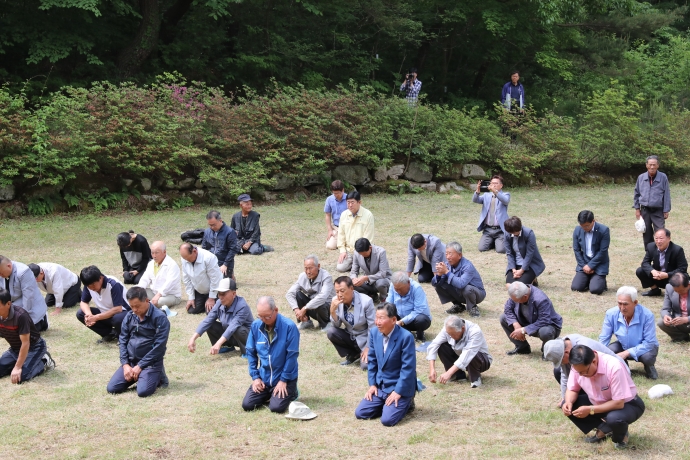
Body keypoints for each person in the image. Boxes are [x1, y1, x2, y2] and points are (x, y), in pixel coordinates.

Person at [562, 345, 645, 449]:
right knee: (568, 404)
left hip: (627, 404)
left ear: (594, 361)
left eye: (584, 371)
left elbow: (618, 403)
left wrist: (590, 409)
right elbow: (572, 389)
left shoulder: (614, 367)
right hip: (599, 402)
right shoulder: (578, 366)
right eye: (579, 372)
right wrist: (568, 402)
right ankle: (605, 428)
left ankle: (620, 435)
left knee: (614, 419)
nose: (581, 375)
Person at [355, 303, 417, 427]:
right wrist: (372, 385)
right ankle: (386, 405)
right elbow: (372, 361)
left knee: (387, 420)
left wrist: (398, 391)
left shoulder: (406, 337)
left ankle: (408, 401)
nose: (377, 322)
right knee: (361, 413)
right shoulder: (373, 333)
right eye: (376, 318)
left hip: (399, 387)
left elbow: (408, 368)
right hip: (381, 386)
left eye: (381, 318)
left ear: (394, 320)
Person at [106, 287, 170, 397]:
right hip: (131, 361)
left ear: (146, 300)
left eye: (137, 306)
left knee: (143, 392)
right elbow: (123, 340)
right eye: (132, 306)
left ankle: (157, 377)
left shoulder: (160, 318)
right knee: (112, 388)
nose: (135, 310)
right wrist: (125, 364)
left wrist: (140, 366)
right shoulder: (130, 316)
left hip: (151, 363)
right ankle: (142, 377)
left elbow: (159, 347)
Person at [242, 296, 300, 413]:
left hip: (285, 378)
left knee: (276, 408)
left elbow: (291, 356)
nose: (263, 319)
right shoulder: (255, 326)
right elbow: (251, 352)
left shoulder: (289, 327)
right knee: (247, 405)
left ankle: (292, 392)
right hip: (264, 378)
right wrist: (256, 377)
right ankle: (269, 394)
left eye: (267, 316)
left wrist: (283, 380)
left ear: (276, 310)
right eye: (260, 316)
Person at [543, 334, 627, 407]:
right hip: (593, 375)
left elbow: (596, 373)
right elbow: (565, 375)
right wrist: (566, 400)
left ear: (567, 352)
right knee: (557, 371)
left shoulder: (585, 348)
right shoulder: (563, 344)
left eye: (560, 360)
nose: (561, 363)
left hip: (615, 375)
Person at [599, 286, 659, 379]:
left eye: (625, 304)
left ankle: (649, 367)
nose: (622, 308)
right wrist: (598, 355)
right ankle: (623, 367)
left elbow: (649, 343)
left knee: (648, 357)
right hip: (623, 345)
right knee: (609, 350)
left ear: (635, 302)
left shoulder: (647, 315)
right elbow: (604, 338)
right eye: (619, 303)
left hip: (645, 348)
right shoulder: (611, 314)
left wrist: (626, 353)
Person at [0, 288, 55, 384]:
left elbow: (26, 343)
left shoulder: (21, 316)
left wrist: (17, 367)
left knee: (21, 377)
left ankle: (44, 360)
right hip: (15, 349)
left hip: (34, 348)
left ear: (8, 304)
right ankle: (20, 362)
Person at [188, 278, 253, 356]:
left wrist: (218, 343)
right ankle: (226, 347)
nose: (220, 297)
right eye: (219, 293)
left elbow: (232, 327)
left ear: (234, 294)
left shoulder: (242, 306)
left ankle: (248, 352)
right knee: (210, 325)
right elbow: (208, 320)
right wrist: (193, 338)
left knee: (238, 329)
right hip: (231, 336)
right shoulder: (219, 303)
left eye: (223, 294)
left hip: (247, 338)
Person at [500, 281, 562, 357]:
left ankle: (547, 351)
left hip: (547, 325)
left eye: (516, 301)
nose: (513, 301)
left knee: (545, 332)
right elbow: (508, 309)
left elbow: (544, 320)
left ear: (525, 297)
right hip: (528, 321)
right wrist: (516, 324)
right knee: (504, 318)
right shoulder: (518, 294)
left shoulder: (541, 299)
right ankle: (522, 348)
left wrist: (523, 330)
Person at [427, 316, 492, 388]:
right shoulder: (449, 328)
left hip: (480, 361)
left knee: (472, 354)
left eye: (453, 334)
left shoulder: (475, 331)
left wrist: (448, 373)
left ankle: (475, 378)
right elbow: (434, 345)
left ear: (463, 328)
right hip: (460, 357)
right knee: (442, 346)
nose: (450, 337)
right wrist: (432, 369)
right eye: (449, 334)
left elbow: (467, 354)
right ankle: (457, 376)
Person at [327, 276, 375, 370]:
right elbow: (336, 325)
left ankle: (364, 353)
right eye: (337, 292)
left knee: (365, 366)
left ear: (352, 288)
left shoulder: (366, 301)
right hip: (351, 336)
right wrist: (332, 312)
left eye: (342, 290)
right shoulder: (335, 301)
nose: (339, 295)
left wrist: (368, 348)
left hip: (365, 339)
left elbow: (373, 328)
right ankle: (353, 354)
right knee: (331, 332)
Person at [431, 241, 485, 317]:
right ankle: (458, 306)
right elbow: (434, 283)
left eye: (450, 254)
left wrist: (446, 272)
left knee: (467, 288)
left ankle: (472, 307)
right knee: (440, 284)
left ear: (459, 255)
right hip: (459, 293)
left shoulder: (467, 266)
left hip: (476, 294)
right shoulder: (447, 264)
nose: (447, 257)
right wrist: (439, 275)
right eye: (446, 254)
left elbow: (461, 284)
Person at [77, 266, 130, 342]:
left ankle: (123, 337)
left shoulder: (113, 284)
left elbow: (118, 309)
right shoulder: (88, 286)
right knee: (81, 313)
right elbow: (83, 302)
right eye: (89, 286)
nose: (92, 288)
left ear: (101, 278)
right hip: (107, 314)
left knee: (117, 318)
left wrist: (96, 317)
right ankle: (109, 334)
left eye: (93, 285)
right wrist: (89, 315)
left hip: (125, 313)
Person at [285, 255, 334, 330]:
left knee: (320, 302)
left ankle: (326, 324)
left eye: (310, 268)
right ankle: (306, 321)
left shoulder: (326, 277)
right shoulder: (302, 276)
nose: (308, 271)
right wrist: (297, 310)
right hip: (313, 308)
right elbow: (290, 293)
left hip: (328, 310)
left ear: (318, 266)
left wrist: (304, 309)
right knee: (298, 294)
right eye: (306, 268)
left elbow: (322, 297)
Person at [0, 256, 48, 331]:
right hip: (11, 304)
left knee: (24, 331)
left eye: (1, 273)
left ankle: (42, 321)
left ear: (9, 266)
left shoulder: (23, 272)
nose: (0, 275)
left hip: (30, 306)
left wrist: (23, 318)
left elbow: (28, 297)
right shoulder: (2, 272)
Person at [635, 228, 687, 297]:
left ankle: (675, 291)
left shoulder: (677, 250)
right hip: (657, 276)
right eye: (656, 238)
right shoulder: (651, 247)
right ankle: (655, 290)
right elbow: (645, 263)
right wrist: (652, 271)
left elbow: (683, 268)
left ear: (669, 239)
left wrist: (667, 275)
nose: (658, 241)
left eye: (661, 238)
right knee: (640, 271)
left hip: (671, 277)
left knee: (684, 277)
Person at [634, 155, 671, 249]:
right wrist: (637, 209)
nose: (652, 167)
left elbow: (666, 194)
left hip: (658, 210)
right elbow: (636, 194)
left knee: (660, 234)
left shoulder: (663, 177)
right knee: (646, 235)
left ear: (658, 165)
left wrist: (666, 210)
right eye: (650, 164)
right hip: (645, 210)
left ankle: (661, 255)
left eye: (654, 165)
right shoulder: (641, 177)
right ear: (646, 165)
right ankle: (649, 256)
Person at [571, 211, 610, 295]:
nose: (585, 228)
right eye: (582, 226)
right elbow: (576, 250)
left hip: (599, 263)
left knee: (595, 290)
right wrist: (584, 265)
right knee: (576, 287)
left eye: (587, 226)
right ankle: (589, 279)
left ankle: (599, 280)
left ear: (593, 221)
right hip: (584, 263)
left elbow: (603, 251)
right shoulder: (577, 230)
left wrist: (591, 265)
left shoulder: (604, 230)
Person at [386, 272, 432, 342]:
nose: (398, 291)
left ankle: (420, 334)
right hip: (400, 318)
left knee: (421, 320)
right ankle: (405, 332)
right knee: (387, 312)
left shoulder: (416, 288)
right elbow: (389, 304)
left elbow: (419, 310)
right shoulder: (393, 285)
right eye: (396, 289)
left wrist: (402, 321)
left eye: (400, 289)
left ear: (408, 283)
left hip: (415, 320)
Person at [336, 190, 375, 272]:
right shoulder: (344, 215)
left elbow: (368, 238)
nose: (350, 205)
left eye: (352, 202)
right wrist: (342, 251)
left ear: (359, 202)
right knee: (340, 268)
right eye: (348, 202)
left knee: (363, 271)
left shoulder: (368, 215)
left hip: (362, 251)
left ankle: (360, 263)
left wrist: (360, 252)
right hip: (349, 251)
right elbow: (341, 235)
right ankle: (354, 263)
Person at [179, 243, 223, 315]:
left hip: (215, 290)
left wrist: (211, 298)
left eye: (188, 258)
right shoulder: (184, 259)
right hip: (200, 290)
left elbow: (215, 279)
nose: (186, 261)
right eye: (184, 259)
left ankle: (216, 300)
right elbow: (186, 278)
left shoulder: (209, 258)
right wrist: (191, 297)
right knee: (191, 310)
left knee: (210, 312)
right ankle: (205, 302)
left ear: (194, 251)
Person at [137, 241, 181, 309]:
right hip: (154, 293)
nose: (154, 256)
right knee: (136, 292)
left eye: (157, 253)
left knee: (158, 302)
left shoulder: (172, 265)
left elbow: (169, 284)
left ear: (164, 252)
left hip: (170, 295)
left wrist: (158, 295)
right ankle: (147, 303)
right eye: (152, 253)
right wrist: (138, 290)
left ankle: (147, 305)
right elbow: (145, 279)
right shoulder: (151, 263)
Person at [472, 175, 510, 253]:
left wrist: (495, 192)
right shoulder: (486, 195)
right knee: (481, 248)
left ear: (501, 185)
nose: (493, 185)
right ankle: (493, 242)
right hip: (488, 229)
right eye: (492, 183)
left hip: (500, 230)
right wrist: (478, 191)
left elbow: (505, 201)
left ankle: (499, 241)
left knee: (501, 250)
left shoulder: (506, 195)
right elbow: (475, 200)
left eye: (496, 183)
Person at [503, 216, 545, 287]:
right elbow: (509, 253)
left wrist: (522, 270)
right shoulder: (507, 234)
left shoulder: (529, 233)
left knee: (521, 286)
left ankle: (533, 278)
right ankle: (528, 278)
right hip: (516, 264)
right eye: (512, 233)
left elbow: (529, 254)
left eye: (516, 232)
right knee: (509, 285)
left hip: (530, 264)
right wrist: (513, 269)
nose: (514, 234)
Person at [350, 238, 392, 303]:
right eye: (361, 254)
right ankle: (371, 296)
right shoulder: (356, 253)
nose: (362, 256)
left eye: (364, 254)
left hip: (383, 280)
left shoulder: (381, 252)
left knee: (380, 283)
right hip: (368, 283)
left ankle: (384, 298)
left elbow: (382, 273)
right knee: (350, 284)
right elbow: (354, 271)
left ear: (370, 247)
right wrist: (354, 279)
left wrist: (367, 278)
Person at [201, 210, 238, 278]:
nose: (212, 227)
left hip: (223, 262)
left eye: (214, 225)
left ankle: (230, 275)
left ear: (220, 221)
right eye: (210, 225)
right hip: (210, 262)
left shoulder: (230, 232)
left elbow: (233, 249)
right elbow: (204, 248)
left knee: (223, 284)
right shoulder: (207, 232)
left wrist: (225, 264)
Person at [658, 272, 690, 342]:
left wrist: (687, 319)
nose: (679, 293)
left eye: (681, 290)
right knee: (661, 322)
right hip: (679, 322)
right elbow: (665, 308)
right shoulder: (669, 288)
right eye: (676, 291)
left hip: (687, 320)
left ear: (688, 285)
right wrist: (666, 316)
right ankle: (682, 337)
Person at [324, 180, 347, 250]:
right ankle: (340, 241)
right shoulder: (329, 199)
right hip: (337, 227)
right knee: (330, 246)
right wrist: (330, 230)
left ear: (343, 190)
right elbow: (327, 215)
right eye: (334, 193)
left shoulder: (349, 199)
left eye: (338, 193)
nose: (336, 195)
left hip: (348, 227)